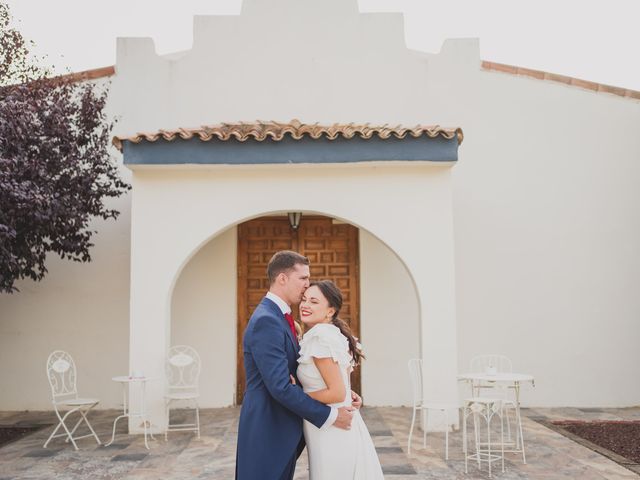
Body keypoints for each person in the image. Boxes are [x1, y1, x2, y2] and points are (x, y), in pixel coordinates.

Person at [235, 251, 359, 480]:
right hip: (267, 429)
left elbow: (298, 373)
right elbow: (281, 387)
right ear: (282, 278)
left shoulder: (280, 317)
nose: (307, 284)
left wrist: (341, 390)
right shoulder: (266, 320)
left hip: (282, 430)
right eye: (303, 278)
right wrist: (331, 415)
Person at [296, 280, 384, 479]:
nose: (305, 305)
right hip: (333, 425)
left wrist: (297, 394)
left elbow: (336, 392)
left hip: (332, 430)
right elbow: (339, 384)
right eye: (304, 299)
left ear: (330, 311)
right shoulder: (328, 334)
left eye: (314, 301)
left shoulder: (321, 338)